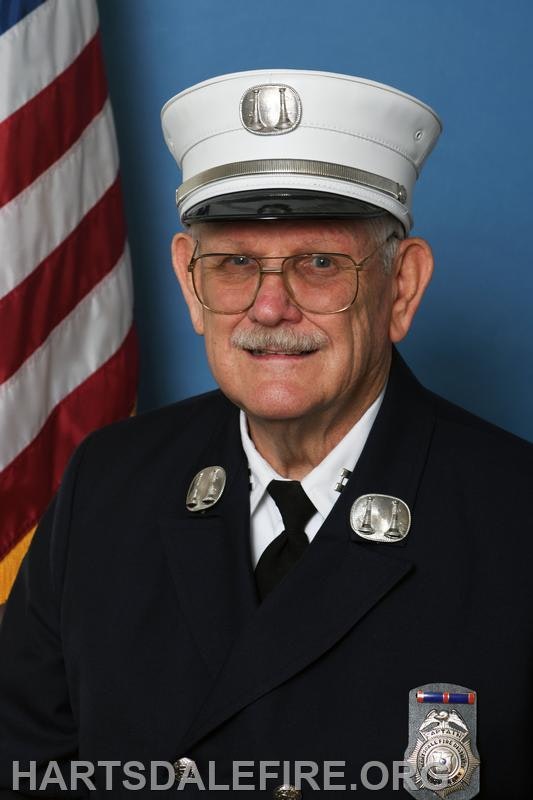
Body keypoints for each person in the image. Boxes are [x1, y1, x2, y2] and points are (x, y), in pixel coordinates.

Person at [0, 69, 532, 799]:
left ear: (399, 288)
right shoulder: (106, 486)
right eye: (235, 263)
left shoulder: (516, 517)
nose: (270, 307)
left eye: (319, 264)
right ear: (191, 281)